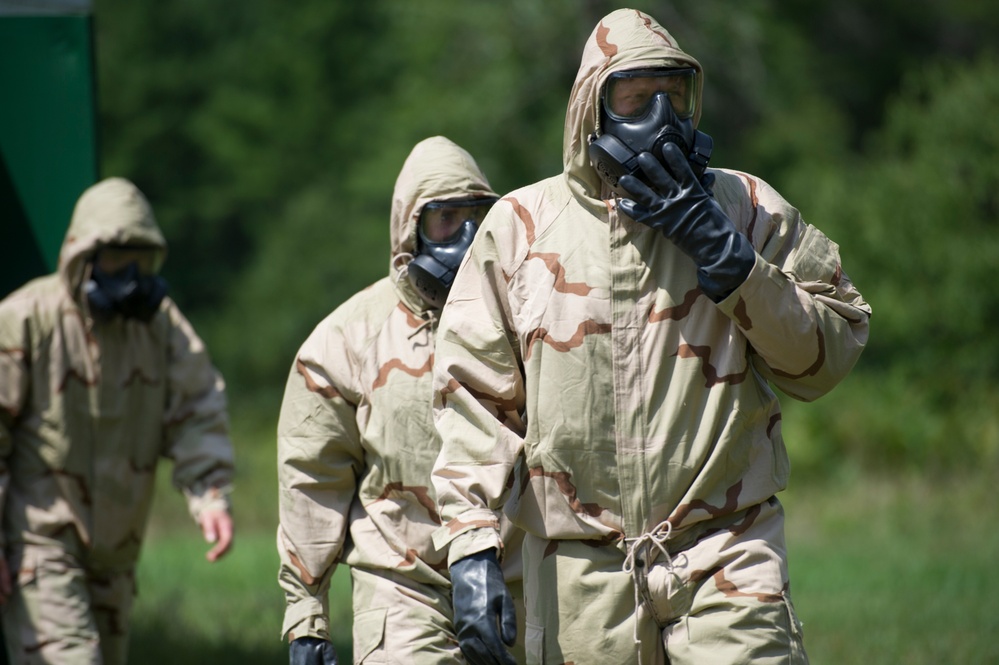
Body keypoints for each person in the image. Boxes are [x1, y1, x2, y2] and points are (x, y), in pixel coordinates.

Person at [430, 8, 871, 665]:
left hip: (724, 546)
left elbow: (828, 355)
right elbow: (472, 399)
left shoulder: (744, 208)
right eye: (637, 100)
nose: (661, 120)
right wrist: (470, 545)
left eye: (674, 99)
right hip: (579, 568)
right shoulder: (519, 228)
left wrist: (734, 265)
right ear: (592, 112)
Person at [276, 136, 525, 665]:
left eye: (478, 217)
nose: (466, 236)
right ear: (410, 227)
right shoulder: (346, 341)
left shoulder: (526, 319)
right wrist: (306, 618)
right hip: (403, 592)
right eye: (446, 219)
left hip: (515, 580)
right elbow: (311, 481)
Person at [0, 177, 236, 664]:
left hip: (117, 555)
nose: (129, 276)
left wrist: (209, 493)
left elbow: (198, 406)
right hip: (42, 544)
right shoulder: (26, 319)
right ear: (82, 257)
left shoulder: (159, 324)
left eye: (142, 260)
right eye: (114, 259)